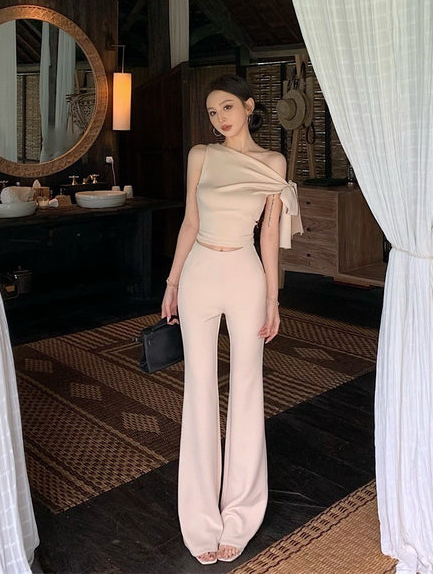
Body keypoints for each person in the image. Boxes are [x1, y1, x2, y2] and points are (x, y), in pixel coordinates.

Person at [161, 74, 302, 566]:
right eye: (211, 112)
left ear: (248, 106)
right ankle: (200, 519)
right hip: (199, 272)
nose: (219, 118)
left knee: (246, 386)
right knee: (199, 388)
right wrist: (172, 283)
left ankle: (240, 515)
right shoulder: (201, 155)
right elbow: (190, 221)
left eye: (226, 107)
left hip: (245, 273)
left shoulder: (273, 163)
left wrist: (273, 299)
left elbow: (268, 237)